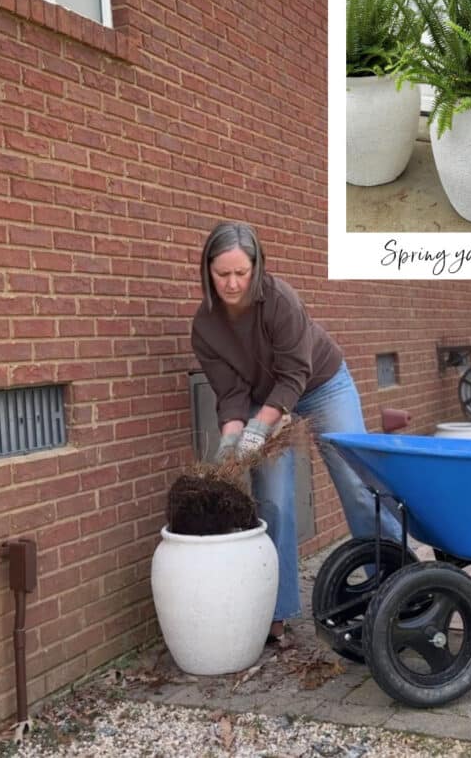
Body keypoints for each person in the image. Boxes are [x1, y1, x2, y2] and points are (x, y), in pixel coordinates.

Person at [191, 221, 401, 641]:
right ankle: (278, 610)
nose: (232, 283)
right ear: (207, 272)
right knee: (273, 500)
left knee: (356, 481)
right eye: (222, 274)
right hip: (259, 394)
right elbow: (230, 392)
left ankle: (400, 580)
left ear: (256, 267)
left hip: (320, 383)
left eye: (241, 272)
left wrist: (261, 426)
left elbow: (294, 373)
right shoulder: (205, 327)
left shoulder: (280, 300)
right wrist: (234, 437)